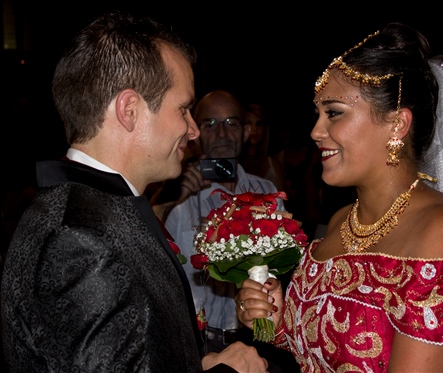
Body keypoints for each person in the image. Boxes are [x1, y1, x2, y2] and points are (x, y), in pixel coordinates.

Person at [235, 22, 443, 372]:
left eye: (335, 113)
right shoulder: (343, 221)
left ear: (397, 124)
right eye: (318, 114)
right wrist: (273, 324)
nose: (315, 131)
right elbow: (324, 353)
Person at [0, 12, 269, 373]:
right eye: (184, 109)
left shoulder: (96, 208)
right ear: (129, 111)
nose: (193, 131)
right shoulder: (79, 241)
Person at [154, 89, 299, 372]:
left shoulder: (266, 191)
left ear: (246, 132)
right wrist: (170, 199)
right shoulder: (175, 196)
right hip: (196, 345)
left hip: (256, 340)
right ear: (194, 132)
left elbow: (282, 269)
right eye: (210, 123)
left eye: (231, 123)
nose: (221, 133)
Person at [239, 102, 286, 192]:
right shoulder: (234, 165)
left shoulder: (274, 165)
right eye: (249, 123)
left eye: (259, 124)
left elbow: (283, 203)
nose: (254, 129)